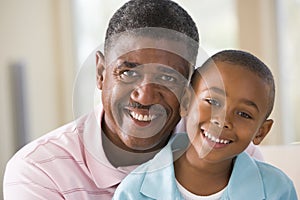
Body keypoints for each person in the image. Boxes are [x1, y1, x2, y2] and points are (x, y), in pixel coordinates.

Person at [3, 1, 261, 199]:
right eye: (128, 73)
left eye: (168, 78)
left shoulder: (227, 149)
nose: (145, 96)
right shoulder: (38, 170)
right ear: (101, 74)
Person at [113, 50, 298, 200]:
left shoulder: (277, 190)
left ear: (261, 132)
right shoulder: (133, 192)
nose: (223, 121)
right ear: (186, 102)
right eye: (213, 102)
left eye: (243, 114)